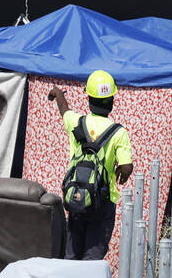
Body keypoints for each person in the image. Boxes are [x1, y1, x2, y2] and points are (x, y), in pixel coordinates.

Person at [48, 70, 133, 261]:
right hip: (103, 202)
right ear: (111, 100)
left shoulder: (77, 122)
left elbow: (64, 109)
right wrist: (120, 171)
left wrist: (57, 93)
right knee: (92, 260)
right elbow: (126, 166)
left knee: (72, 254)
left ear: (89, 98)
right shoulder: (119, 133)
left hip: (78, 197)